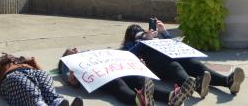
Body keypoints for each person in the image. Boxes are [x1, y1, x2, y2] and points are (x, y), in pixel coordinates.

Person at [122, 20, 245, 99]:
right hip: (157, 64)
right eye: (137, 34)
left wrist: (164, 33)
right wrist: (143, 41)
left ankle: (227, 81)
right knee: (174, 65)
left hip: (170, 56)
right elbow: (128, 55)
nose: (141, 34)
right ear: (131, 37)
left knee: (194, 64)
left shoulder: (152, 37)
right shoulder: (130, 45)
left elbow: (172, 45)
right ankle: (196, 85)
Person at [59, 48, 194, 106]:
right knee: (118, 85)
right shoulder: (67, 63)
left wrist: (135, 64)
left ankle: (171, 97)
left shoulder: (91, 53)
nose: (76, 49)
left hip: (117, 70)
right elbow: (70, 80)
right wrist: (72, 79)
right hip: (103, 77)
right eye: (71, 50)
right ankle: (137, 100)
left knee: (139, 81)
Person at [0, 53, 83, 106]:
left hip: (32, 72)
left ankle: (57, 103)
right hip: (12, 76)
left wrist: (29, 60)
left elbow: (40, 70)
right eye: (6, 56)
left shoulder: (22, 62)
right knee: (30, 91)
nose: (10, 57)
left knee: (45, 80)